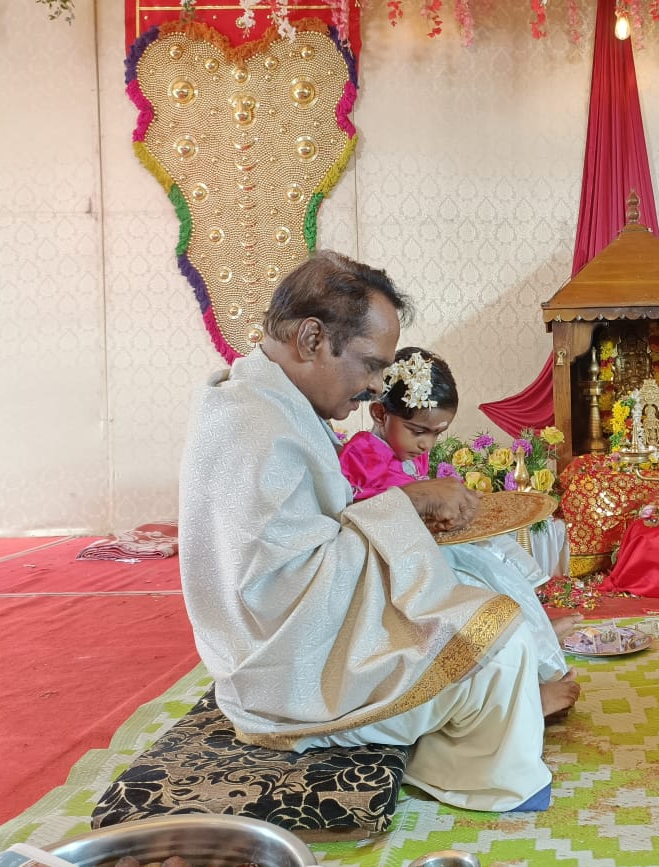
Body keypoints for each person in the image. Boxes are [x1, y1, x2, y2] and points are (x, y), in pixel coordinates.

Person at [178, 250, 579, 813]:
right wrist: (406, 505)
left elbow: (313, 543)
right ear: (312, 339)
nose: (373, 388)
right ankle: (465, 768)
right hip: (286, 675)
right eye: (369, 366)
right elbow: (287, 591)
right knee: (500, 645)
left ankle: (462, 737)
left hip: (299, 638)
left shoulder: (261, 397)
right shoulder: (258, 429)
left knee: (478, 599)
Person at [337, 345, 579, 685]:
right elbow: (370, 507)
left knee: (497, 560)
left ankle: (534, 632)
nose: (427, 445)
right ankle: (532, 653)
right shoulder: (362, 452)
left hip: (432, 544)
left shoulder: (411, 452)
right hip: (401, 559)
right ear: (379, 413)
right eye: (419, 431)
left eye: (437, 433)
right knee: (486, 577)